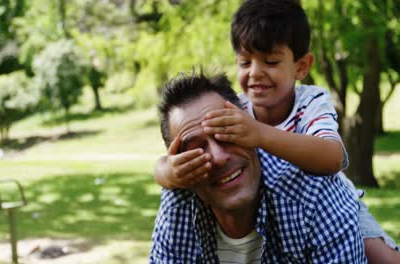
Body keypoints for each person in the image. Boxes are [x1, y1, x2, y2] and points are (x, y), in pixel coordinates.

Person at [154, 0, 399, 262]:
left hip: (332, 201)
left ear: (301, 67)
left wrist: (258, 133)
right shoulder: (236, 106)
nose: (256, 73)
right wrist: (171, 174)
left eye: (270, 61)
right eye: (245, 63)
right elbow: (161, 166)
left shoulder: (311, 104)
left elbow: (332, 158)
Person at [150, 71, 366, 263]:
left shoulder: (313, 195)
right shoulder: (179, 205)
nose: (218, 157)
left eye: (226, 133)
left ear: (247, 123)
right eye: (196, 150)